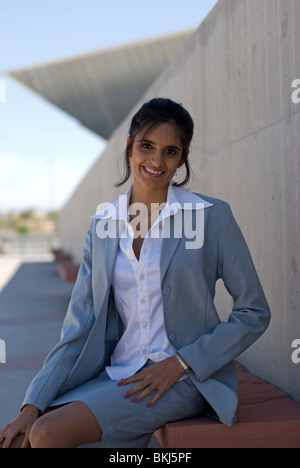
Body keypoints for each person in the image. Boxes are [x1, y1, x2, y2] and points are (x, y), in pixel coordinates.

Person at [0, 98, 271, 448]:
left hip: (186, 379)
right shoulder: (102, 228)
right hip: (119, 374)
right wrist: (32, 403)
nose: (157, 161)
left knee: (48, 434)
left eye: (170, 151)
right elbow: (78, 327)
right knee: (21, 437)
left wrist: (181, 363)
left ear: (182, 158)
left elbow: (254, 312)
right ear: (130, 146)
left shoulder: (211, 217)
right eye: (147, 146)